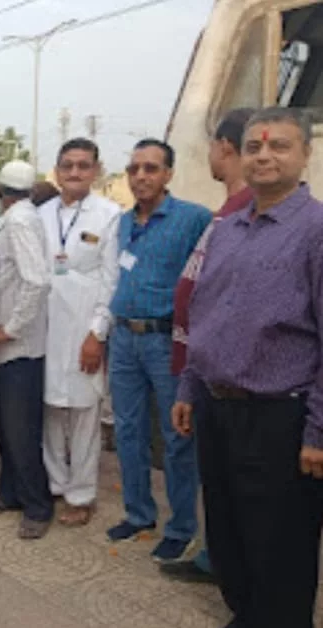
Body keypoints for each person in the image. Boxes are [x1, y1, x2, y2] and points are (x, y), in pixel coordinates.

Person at [173, 107, 323, 628]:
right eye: (255, 147)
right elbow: (205, 314)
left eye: (279, 145)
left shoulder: (315, 229)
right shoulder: (228, 229)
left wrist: (318, 431)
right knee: (230, 535)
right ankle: (247, 617)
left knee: (279, 545)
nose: (264, 156)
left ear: (305, 154)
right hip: (217, 408)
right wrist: (189, 387)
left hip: (280, 417)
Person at [161, 108, 255, 585]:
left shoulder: (248, 213)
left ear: (225, 147)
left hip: (234, 378)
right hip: (202, 369)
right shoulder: (228, 212)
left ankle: (236, 572)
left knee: (237, 483)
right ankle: (216, 558)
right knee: (214, 476)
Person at [107, 139, 210, 562]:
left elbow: (206, 282)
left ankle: (182, 526)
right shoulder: (122, 222)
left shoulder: (194, 219)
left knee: (176, 434)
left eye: (150, 168)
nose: (141, 176)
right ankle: (138, 513)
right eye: (134, 169)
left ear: (168, 174)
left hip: (166, 341)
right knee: (127, 429)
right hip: (122, 338)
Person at [38, 139, 121, 527]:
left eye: (83, 166)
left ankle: (82, 494)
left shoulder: (109, 216)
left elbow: (111, 280)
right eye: (67, 165)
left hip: (84, 327)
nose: (74, 172)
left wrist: (97, 334)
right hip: (45, 327)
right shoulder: (40, 214)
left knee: (85, 413)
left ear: (96, 171)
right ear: (56, 170)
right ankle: (55, 484)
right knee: (51, 411)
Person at [0, 160, 52, 539]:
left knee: (20, 432)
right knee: (6, 428)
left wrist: (9, 329)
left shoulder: (19, 221)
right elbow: (16, 272)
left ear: (0, 191)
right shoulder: (20, 219)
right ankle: (10, 493)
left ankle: (37, 507)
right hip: (10, 348)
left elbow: (36, 282)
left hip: (19, 348)